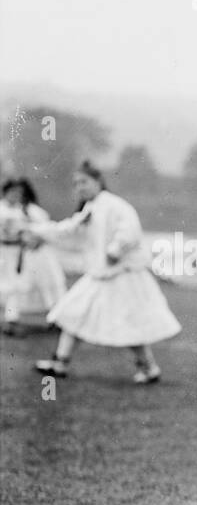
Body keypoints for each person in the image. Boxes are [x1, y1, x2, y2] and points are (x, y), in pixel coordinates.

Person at [27, 161, 179, 383]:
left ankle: (149, 369)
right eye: (76, 184)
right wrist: (34, 231)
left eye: (84, 182)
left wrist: (115, 250)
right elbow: (68, 229)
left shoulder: (114, 205)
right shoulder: (91, 208)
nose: (80, 187)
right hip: (101, 274)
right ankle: (60, 362)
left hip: (123, 275)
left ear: (98, 182)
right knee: (74, 312)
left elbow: (130, 229)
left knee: (128, 322)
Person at [0, 177, 66, 335]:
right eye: (12, 192)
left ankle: (12, 320)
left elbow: (33, 230)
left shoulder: (22, 211)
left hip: (17, 253)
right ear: (5, 192)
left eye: (19, 193)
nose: (16, 196)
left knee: (15, 286)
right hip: (2, 251)